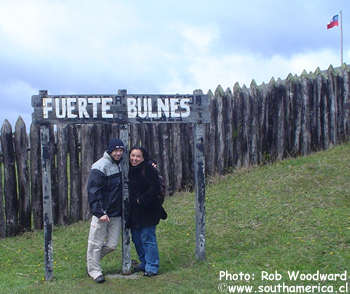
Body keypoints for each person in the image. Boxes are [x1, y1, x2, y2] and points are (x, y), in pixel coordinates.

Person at [86, 138, 124, 283]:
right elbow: (93, 191)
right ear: (110, 150)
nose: (118, 153)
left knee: (112, 245)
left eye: (121, 150)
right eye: (116, 150)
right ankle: (95, 271)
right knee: (95, 243)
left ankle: (91, 262)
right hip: (103, 213)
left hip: (116, 213)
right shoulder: (99, 166)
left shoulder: (121, 164)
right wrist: (99, 212)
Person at [128, 147, 166, 277]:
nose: (134, 159)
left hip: (149, 209)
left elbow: (155, 187)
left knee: (147, 237)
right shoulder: (129, 168)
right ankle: (144, 262)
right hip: (134, 212)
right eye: (132, 155)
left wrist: (141, 200)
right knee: (136, 238)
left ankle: (152, 266)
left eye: (138, 156)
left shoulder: (149, 168)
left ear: (144, 158)